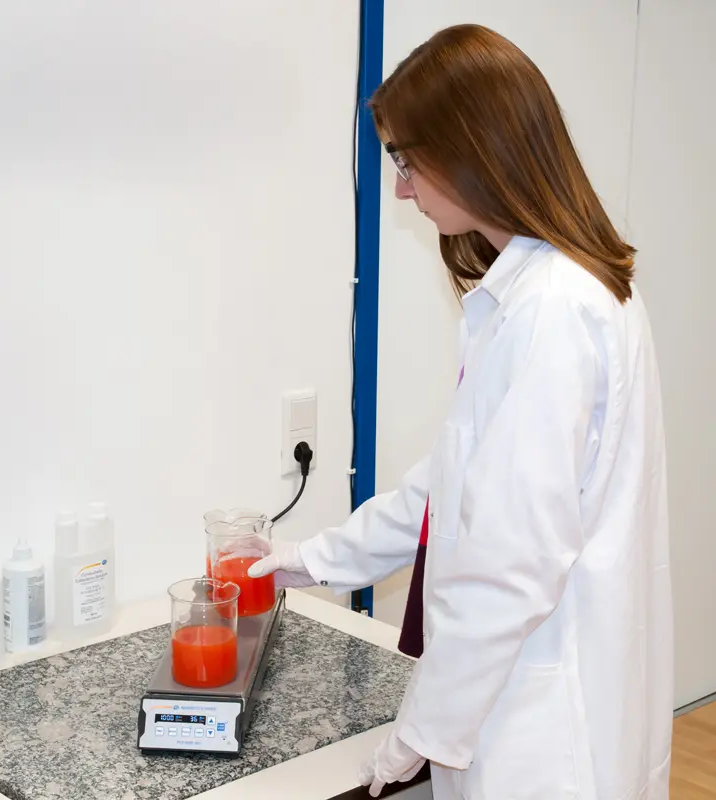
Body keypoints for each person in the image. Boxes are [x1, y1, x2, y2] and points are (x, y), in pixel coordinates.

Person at [249, 23, 673, 800]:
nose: (402, 189)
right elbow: (450, 485)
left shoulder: (553, 309)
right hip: (534, 704)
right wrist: (306, 561)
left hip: (542, 735)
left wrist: (420, 731)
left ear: (473, 150)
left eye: (407, 161)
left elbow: (510, 563)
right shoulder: (556, 292)